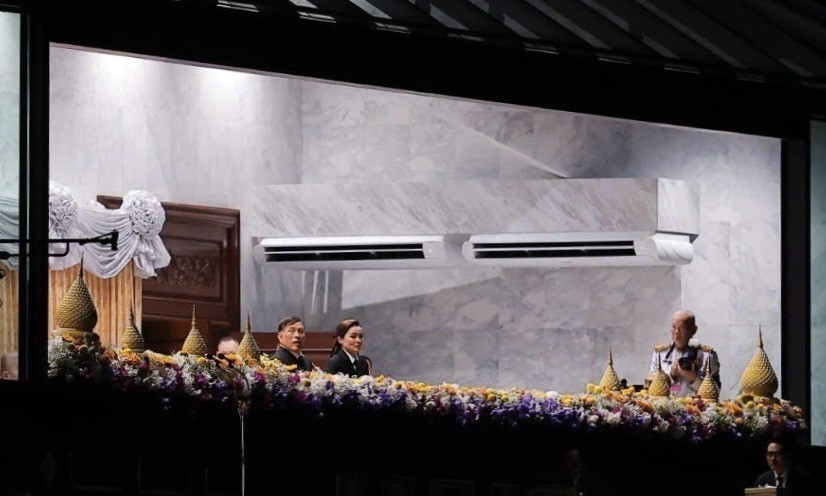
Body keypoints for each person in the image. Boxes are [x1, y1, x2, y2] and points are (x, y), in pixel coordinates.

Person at [647, 310, 720, 397]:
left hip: (695, 404)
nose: (676, 332)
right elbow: (649, 384)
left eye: (682, 328)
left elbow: (716, 392)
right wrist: (670, 375)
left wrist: (694, 378)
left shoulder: (707, 355)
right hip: (665, 404)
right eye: (674, 327)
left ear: (694, 330)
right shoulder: (660, 353)